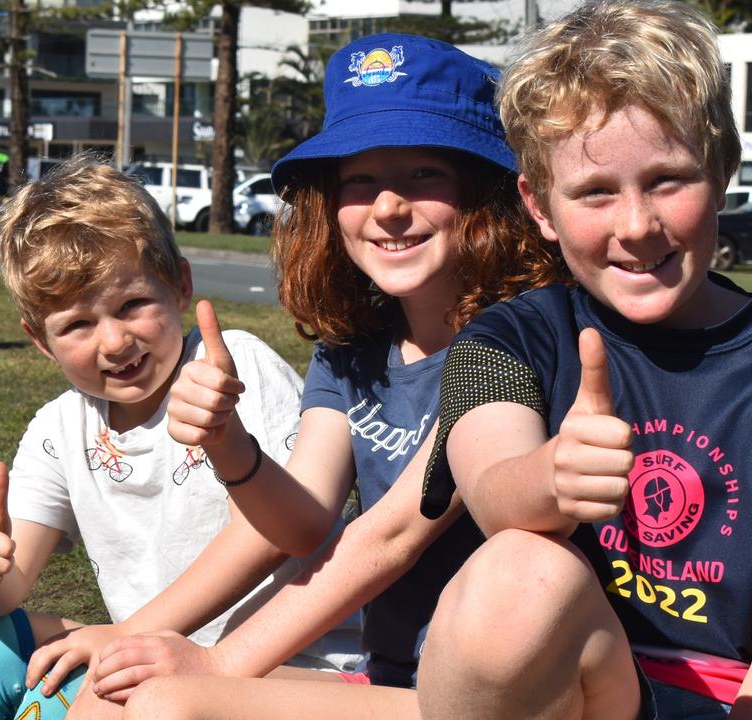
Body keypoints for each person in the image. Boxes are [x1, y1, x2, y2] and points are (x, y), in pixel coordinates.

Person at [414, 2, 752, 719]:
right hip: (573, 685)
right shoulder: (508, 340)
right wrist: (552, 476)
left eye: (668, 181)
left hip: (736, 696)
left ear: (722, 171)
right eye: (595, 192)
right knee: (515, 570)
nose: (636, 226)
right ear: (539, 207)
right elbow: (494, 492)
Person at [77, 32, 567, 719]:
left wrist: (219, 662)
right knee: (111, 700)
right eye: (359, 181)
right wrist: (227, 442)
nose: (388, 207)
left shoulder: (518, 339)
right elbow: (304, 519)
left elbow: (393, 534)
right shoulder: (353, 350)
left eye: (423, 173)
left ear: (485, 192)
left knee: (168, 708)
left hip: (496, 696)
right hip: (392, 677)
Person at [0, 156, 360, 720]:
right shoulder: (60, 429)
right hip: (151, 650)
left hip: (291, 663)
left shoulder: (228, 369)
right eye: (77, 325)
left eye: (132, 305)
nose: (113, 341)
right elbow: (10, 589)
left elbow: (270, 536)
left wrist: (128, 634)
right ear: (40, 340)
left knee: (96, 695)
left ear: (180, 285)